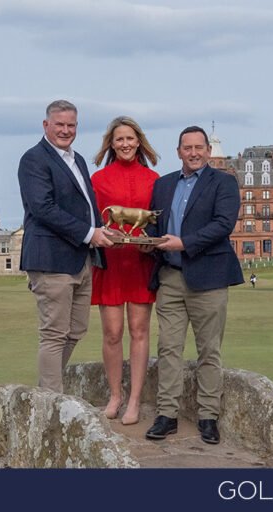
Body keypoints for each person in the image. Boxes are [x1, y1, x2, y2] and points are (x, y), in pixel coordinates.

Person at [143, 126, 243, 445]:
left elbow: (223, 225)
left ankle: (208, 416)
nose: (194, 153)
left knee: (209, 350)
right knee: (168, 348)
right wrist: (144, 241)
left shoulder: (224, 182)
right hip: (170, 277)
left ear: (208, 151)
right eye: (188, 148)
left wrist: (184, 243)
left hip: (209, 277)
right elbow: (155, 227)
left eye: (200, 147)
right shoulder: (163, 184)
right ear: (178, 152)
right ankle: (167, 415)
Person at [18, 99, 114, 394]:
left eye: (71, 125)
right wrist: (89, 233)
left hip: (80, 258)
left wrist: (100, 229)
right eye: (59, 124)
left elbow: (86, 206)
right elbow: (43, 208)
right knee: (54, 334)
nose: (65, 130)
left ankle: (46, 393)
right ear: (45, 125)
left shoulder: (78, 159)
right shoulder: (34, 159)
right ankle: (51, 400)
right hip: (50, 260)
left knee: (76, 330)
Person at [91, 116, 160, 425]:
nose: (125, 144)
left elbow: (157, 222)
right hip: (111, 263)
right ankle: (115, 395)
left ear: (139, 142)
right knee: (112, 333)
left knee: (140, 330)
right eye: (119, 139)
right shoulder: (98, 179)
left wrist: (151, 243)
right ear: (111, 143)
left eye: (130, 138)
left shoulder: (154, 179)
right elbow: (92, 220)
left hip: (141, 263)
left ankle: (134, 400)